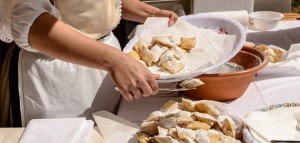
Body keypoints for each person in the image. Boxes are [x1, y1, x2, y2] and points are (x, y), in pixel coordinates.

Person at [0, 0, 178, 127]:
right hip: (55, 80)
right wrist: (115, 61)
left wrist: (152, 15)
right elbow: (30, 21)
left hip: (106, 69)